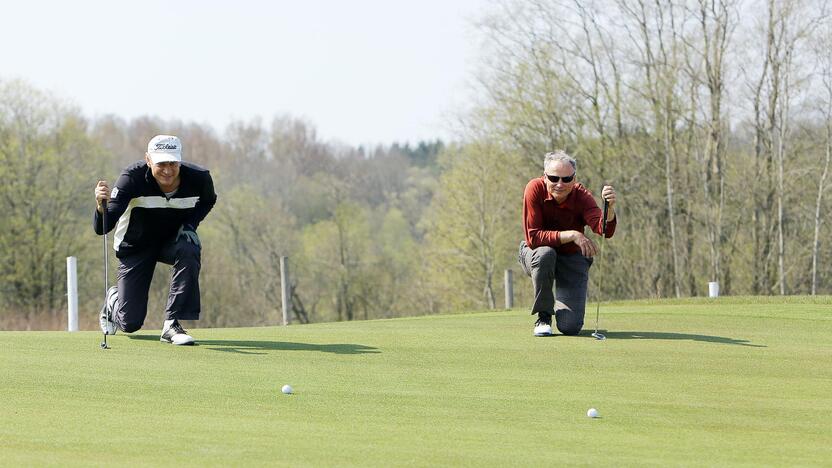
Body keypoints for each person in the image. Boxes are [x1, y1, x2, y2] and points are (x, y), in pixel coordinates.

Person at [94, 135, 217, 345]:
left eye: (173, 163)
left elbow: (208, 201)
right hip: (135, 246)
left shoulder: (199, 178)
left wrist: (190, 225)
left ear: (180, 161)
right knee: (130, 323)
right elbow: (102, 228)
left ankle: (172, 324)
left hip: (172, 242)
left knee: (190, 247)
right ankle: (113, 302)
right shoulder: (131, 178)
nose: (168, 170)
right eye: (161, 163)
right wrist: (100, 206)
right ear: (148, 160)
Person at [518, 150, 617, 337]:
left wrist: (609, 209)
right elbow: (534, 237)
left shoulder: (582, 196)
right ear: (545, 176)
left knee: (570, 327)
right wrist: (572, 234)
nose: (559, 184)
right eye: (554, 178)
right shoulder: (534, 188)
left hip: (571, 257)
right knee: (546, 253)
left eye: (566, 178)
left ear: (574, 178)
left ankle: (563, 314)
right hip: (535, 254)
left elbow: (604, 230)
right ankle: (544, 316)